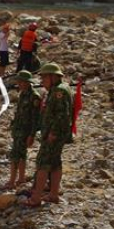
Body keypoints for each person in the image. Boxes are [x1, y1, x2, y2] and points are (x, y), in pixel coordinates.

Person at [27, 63, 73, 206]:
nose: (42, 81)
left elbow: (62, 115)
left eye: (45, 78)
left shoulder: (59, 91)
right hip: (55, 134)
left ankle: (36, 198)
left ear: (53, 77)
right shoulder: (58, 89)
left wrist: (53, 132)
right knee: (54, 163)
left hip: (54, 135)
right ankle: (53, 194)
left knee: (43, 163)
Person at [2, 70, 42, 190]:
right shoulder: (23, 94)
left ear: (26, 82)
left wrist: (32, 135)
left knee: (16, 154)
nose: (18, 84)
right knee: (19, 154)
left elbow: (36, 118)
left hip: (25, 131)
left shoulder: (34, 97)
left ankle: (12, 181)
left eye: (20, 81)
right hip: (18, 129)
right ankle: (20, 178)